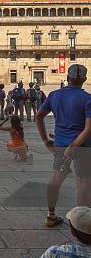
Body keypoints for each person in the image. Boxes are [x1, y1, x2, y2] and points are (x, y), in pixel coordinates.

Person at [36, 64, 91, 227]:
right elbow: (89, 128)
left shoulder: (54, 95)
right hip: (82, 147)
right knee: (83, 184)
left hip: (60, 145)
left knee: (55, 179)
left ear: (67, 78)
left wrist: (46, 140)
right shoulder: (88, 98)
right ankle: (80, 223)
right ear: (84, 80)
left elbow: (39, 116)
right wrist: (74, 146)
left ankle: (51, 215)